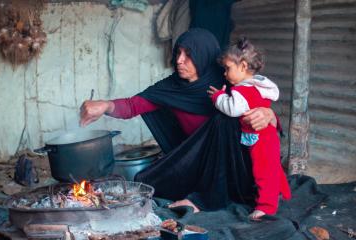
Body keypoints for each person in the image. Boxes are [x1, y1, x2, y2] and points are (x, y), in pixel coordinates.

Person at [80, 28, 276, 212]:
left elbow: (268, 123)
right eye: (178, 53)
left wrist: (269, 115)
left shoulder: (230, 81)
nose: (180, 60)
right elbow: (134, 105)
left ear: (204, 55)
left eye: (188, 55)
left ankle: (207, 200)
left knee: (224, 119)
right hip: (195, 164)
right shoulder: (172, 87)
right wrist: (105, 105)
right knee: (146, 181)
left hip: (234, 169)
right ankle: (201, 191)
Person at [208, 37, 291, 219]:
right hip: (268, 134)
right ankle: (281, 192)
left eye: (228, 68)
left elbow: (232, 109)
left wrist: (218, 97)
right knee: (273, 167)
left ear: (243, 66)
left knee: (262, 172)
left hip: (258, 138)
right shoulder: (260, 84)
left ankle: (266, 207)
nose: (224, 74)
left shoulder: (242, 90)